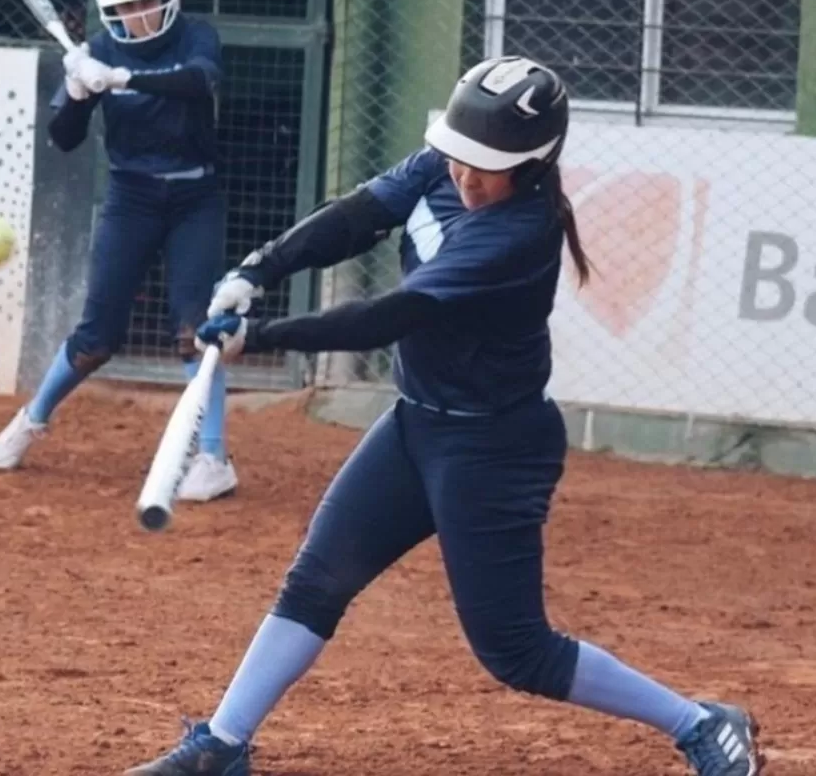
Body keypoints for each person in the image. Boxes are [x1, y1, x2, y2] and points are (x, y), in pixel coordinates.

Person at [122, 57, 763, 776]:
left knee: (516, 651)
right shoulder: (447, 160)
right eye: (461, 156)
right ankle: (223, 744)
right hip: (415, 426)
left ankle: (702, 723)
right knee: (316, 582)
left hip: (492, 449)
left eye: (487, 166)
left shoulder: (519, 233)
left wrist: (261, 337)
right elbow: (359, 216)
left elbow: (390, 316)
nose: (466, 175)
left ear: (534, 161)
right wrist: (257, 270)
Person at [0, 0, 238, 503]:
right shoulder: (97, 49)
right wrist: (77, 94)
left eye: (146, 3)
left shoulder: (196, 37)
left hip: (196, 196)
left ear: (167, 0)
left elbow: (199, 81)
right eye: (126, 7)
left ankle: (213, 458)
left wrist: (123, 78)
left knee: (197, 329)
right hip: (131, 198)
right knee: (97, 337)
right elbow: (64, 137)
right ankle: (32, 419)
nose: (137, 16)